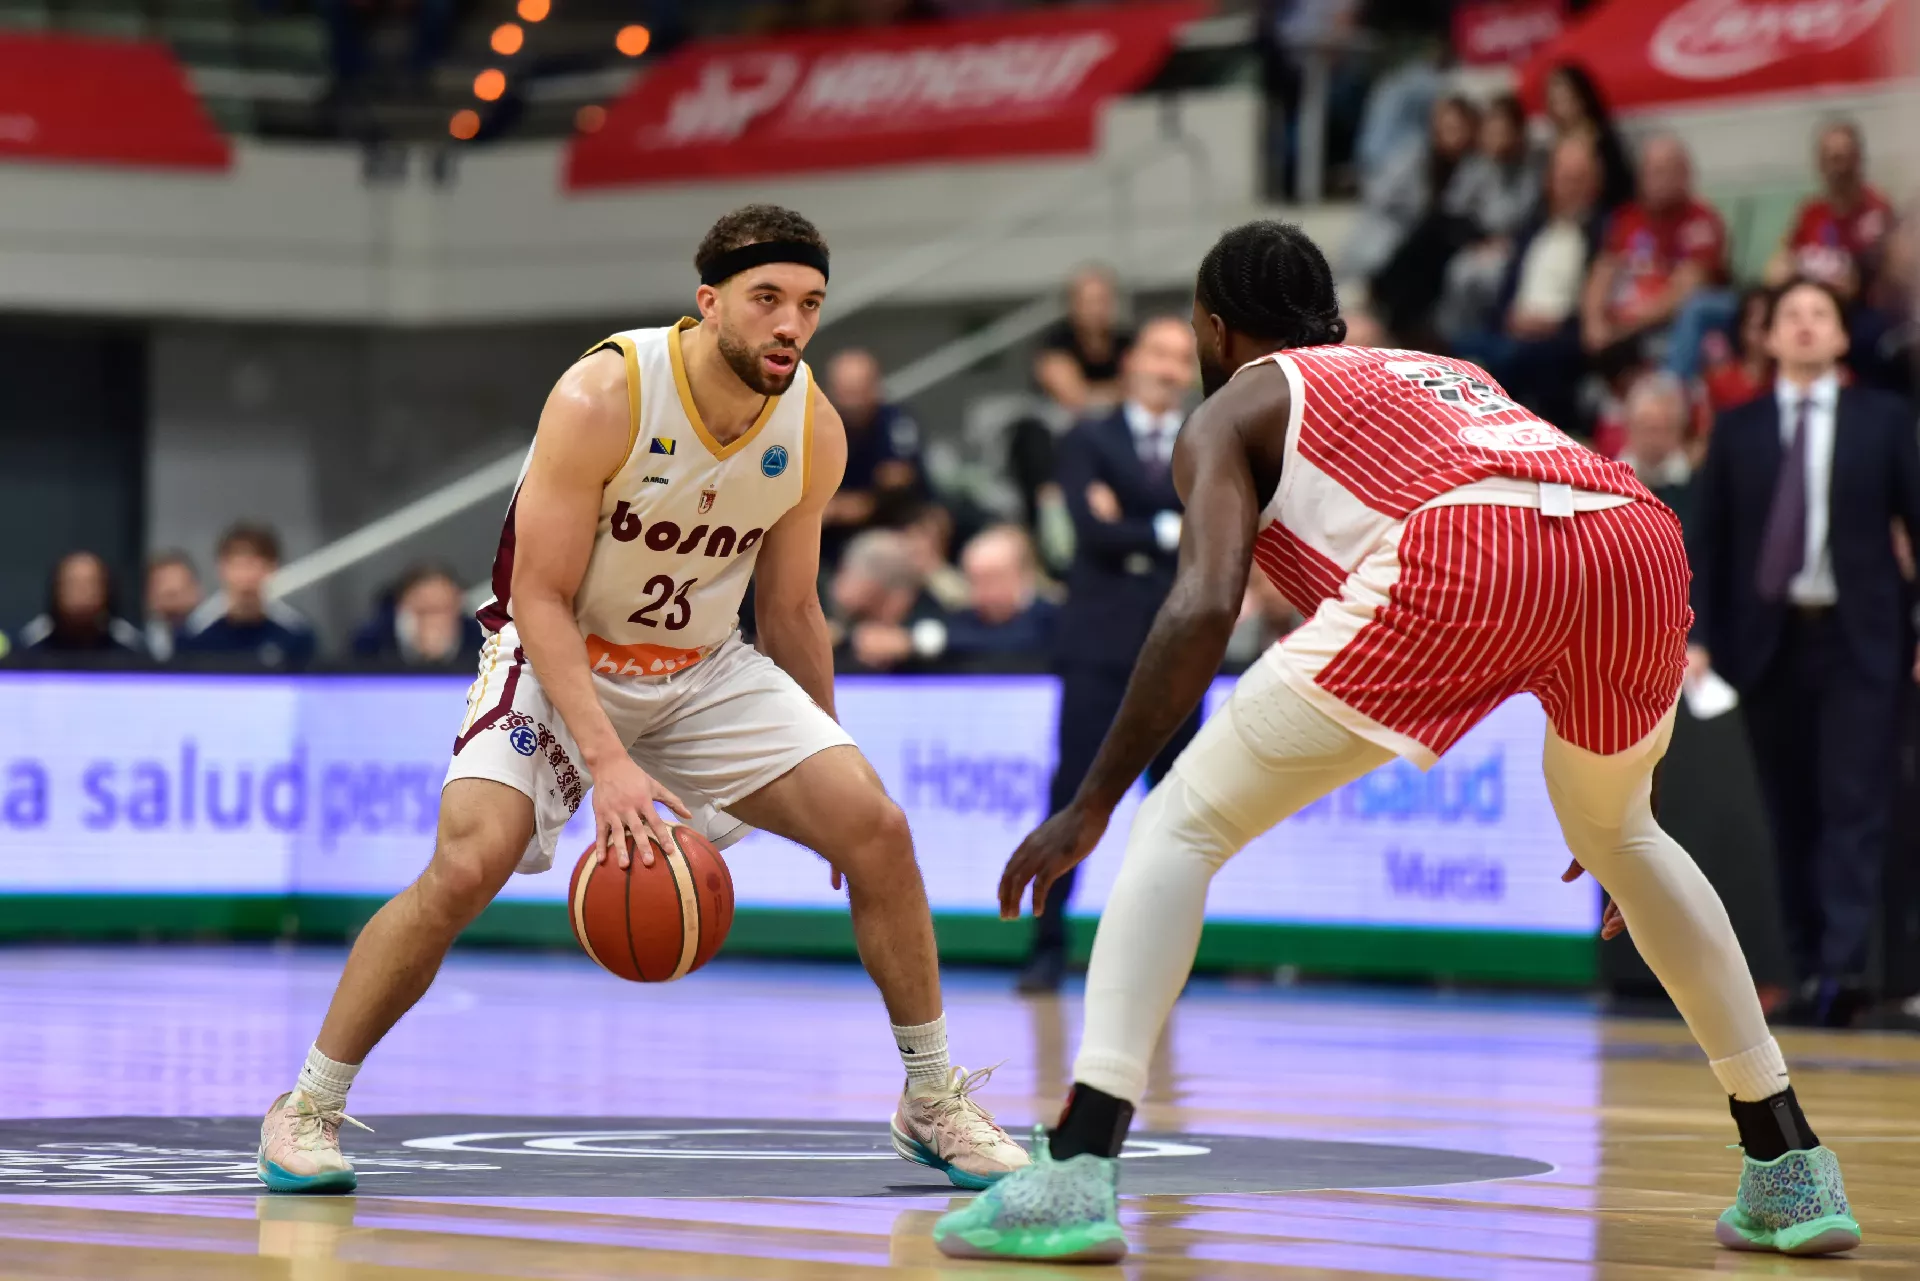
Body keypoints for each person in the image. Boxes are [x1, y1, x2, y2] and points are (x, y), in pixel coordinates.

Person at [936, 222, 1861, 1261]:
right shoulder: (1437, 370)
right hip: (1632, 534)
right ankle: (1789, 1163)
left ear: (1215, 328)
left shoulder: (1235, 404)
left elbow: (1201, 604)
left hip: (1471, 541)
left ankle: (1074, 1172)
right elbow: (1552, 536)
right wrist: (1610, 809)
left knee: (1179, 825)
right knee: (1627, 838)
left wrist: (1093, 799)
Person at [256, 205, 1025, 1196]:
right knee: (467, 863)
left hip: (700, 668)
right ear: (710, 303)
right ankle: (307, 1105)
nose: (791, 323)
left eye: (809, 304)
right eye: (767, 299)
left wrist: (832, 758)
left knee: (877, 829)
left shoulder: (814, 429)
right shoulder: (604, 394)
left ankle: (932, 1100)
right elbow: (538, 596)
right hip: (558, 655)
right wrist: (609, 763)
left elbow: (792, 608)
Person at [1689, 278, 1920, 1030]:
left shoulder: (1883, 420)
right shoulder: (1739, 427)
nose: (1806, 325)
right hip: (1768, 643)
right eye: (1791, 314)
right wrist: (1697, 634)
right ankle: (1803, 964)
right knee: (1789, 813)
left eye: (1821, 314)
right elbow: (1709, 540)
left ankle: (1843, 973)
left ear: (1843, 336)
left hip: (1861, 640)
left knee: (1853, 807)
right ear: (1768, 336)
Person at [1021, 315, 1203, 995]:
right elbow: (1090, 532)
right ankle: (1046, 945)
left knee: (1174, 809)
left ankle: (1163, 959)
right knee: (1073, 793)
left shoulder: (1205, 442)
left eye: (1181, 358)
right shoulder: (1086, 436)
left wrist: (1134, 524)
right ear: (1132, 360)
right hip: (1098, 647)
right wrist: (1171, 526)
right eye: (1158, 353)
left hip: (1180, 646)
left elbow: (1216, 532)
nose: (1168, 368)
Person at [1451, 135, 1605, 429]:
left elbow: (1595, 308)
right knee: (1458, 350)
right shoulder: (1533, 229)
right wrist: (1510, 318)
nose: (1571, 188)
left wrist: (1552, 325)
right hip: (1513, 329)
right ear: (1550, 181)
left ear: (1594, 182)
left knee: (1513, 360)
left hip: (1559, 338)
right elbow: (1505, 293)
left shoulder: (1602, 234)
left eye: (1579, 179)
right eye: (1565, 178)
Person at [1582, 135, 1727, 380]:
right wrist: (1593, 323)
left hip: (1662, 329)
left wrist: (1622, 330)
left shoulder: (1701, 222)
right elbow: (1602, 273)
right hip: (1616, 332)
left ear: (1684, 175)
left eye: (1661, 171)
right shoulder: (1626, 218)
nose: (1652, 179)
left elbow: (1682, 293)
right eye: (1648, 171)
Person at [1010, 266, 1137, 528]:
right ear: (1072, 304)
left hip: (1117, 433)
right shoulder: (1054, 342)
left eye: (1102, 300)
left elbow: (1142, 391)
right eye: (1088, 301)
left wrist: (1099, 393)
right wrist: (1120, 390)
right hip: (1060, 435)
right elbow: (1074, 398)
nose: (1096, 308)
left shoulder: (1127, 341)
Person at [821, 347, 926, 564]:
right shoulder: (816, 427)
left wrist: (847, 506)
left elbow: (896, 482)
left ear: (875, 387)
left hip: (893, 524)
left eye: (858, 390)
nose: (852, 402)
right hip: (830, 538)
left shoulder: (896, 422)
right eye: (845, 391)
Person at [177, 524, 317, 669]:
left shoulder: (297, 632)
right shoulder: (193, 631)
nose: (247, 576)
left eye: (255, 565)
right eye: (239, 565)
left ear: (273, 568)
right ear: (221, 568)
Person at [933, 525, 1059, 663]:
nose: (981, 593)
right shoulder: (958, 624)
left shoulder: (1053, 622)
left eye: (991, 580)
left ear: (1024, 576)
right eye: (974, 581)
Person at [827, 527, 943, 672]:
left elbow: (958, 638)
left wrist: (910, 643)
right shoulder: (830, 615)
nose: (841, 585)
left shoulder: (925, 617)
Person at [1543, 62, 1633, 214]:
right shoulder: (1552, 145)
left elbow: (1620, 192)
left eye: (1566, 98)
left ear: (1582, 98)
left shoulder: (1603, 142)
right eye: (1554, 101)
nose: (1560, 108)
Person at [15, 551, 145, 657]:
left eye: (90, 583)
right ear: (56, 590)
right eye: (72, 583)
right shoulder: (30, 644)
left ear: (107, 590)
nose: (81, 591)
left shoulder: (130, 646)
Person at [351, 565, 485, 668]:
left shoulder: (484, 641)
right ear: (401, 608)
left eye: (442, 610)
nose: (434, 622)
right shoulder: (370, 644)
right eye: (423, 611)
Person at [1615, 373, 1695, 524]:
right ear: (1629, 428)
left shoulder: (1698, 486)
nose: (1654, 440)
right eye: (1646, 428)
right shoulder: (1610, 485)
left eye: (1664, 429)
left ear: (1680, 431)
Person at [143, 551, 202, 663]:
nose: (173, 592)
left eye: (183, 587)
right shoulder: (135, 647)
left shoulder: (219, 642)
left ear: (198, 589)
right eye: (167, 593)